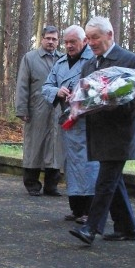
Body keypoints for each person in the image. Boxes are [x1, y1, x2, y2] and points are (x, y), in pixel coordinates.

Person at [69, 16, 135, 247]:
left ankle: (91, 228)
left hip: (119, 133)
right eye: (88, 39)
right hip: (98, 131)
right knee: (113, 180)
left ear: (110, 35)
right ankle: (127, 227)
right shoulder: (88, 64)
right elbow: (85, 94)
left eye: (95, 37)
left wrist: (116, 105)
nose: (91, 43)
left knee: (105, 181)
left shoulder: (129, 60)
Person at [42, 26, 99, 221]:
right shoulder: (60, 63)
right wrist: (57, 92)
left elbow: (102, 88)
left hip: (89, 122)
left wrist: (81, 95)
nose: (68, 46)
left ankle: (90, 211)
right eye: (66, 42)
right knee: (72, 165)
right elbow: (46, 86)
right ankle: (76, 208)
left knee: (89, 165)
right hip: (68, 122)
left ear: (84, 41)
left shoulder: (94, 60)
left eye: (72, 42)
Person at [16, 26, 64, 197]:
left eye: (54, 39)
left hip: (58, 110)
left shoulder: (64, 59)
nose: (51, 42)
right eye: (48, 38)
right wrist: (22, 109)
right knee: (34, 146)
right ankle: (32, 184)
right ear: (42, 39)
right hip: (36, 109)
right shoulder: (30, 58)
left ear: (58, 41)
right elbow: (22, 85)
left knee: (55, 147)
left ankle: (52, 186)